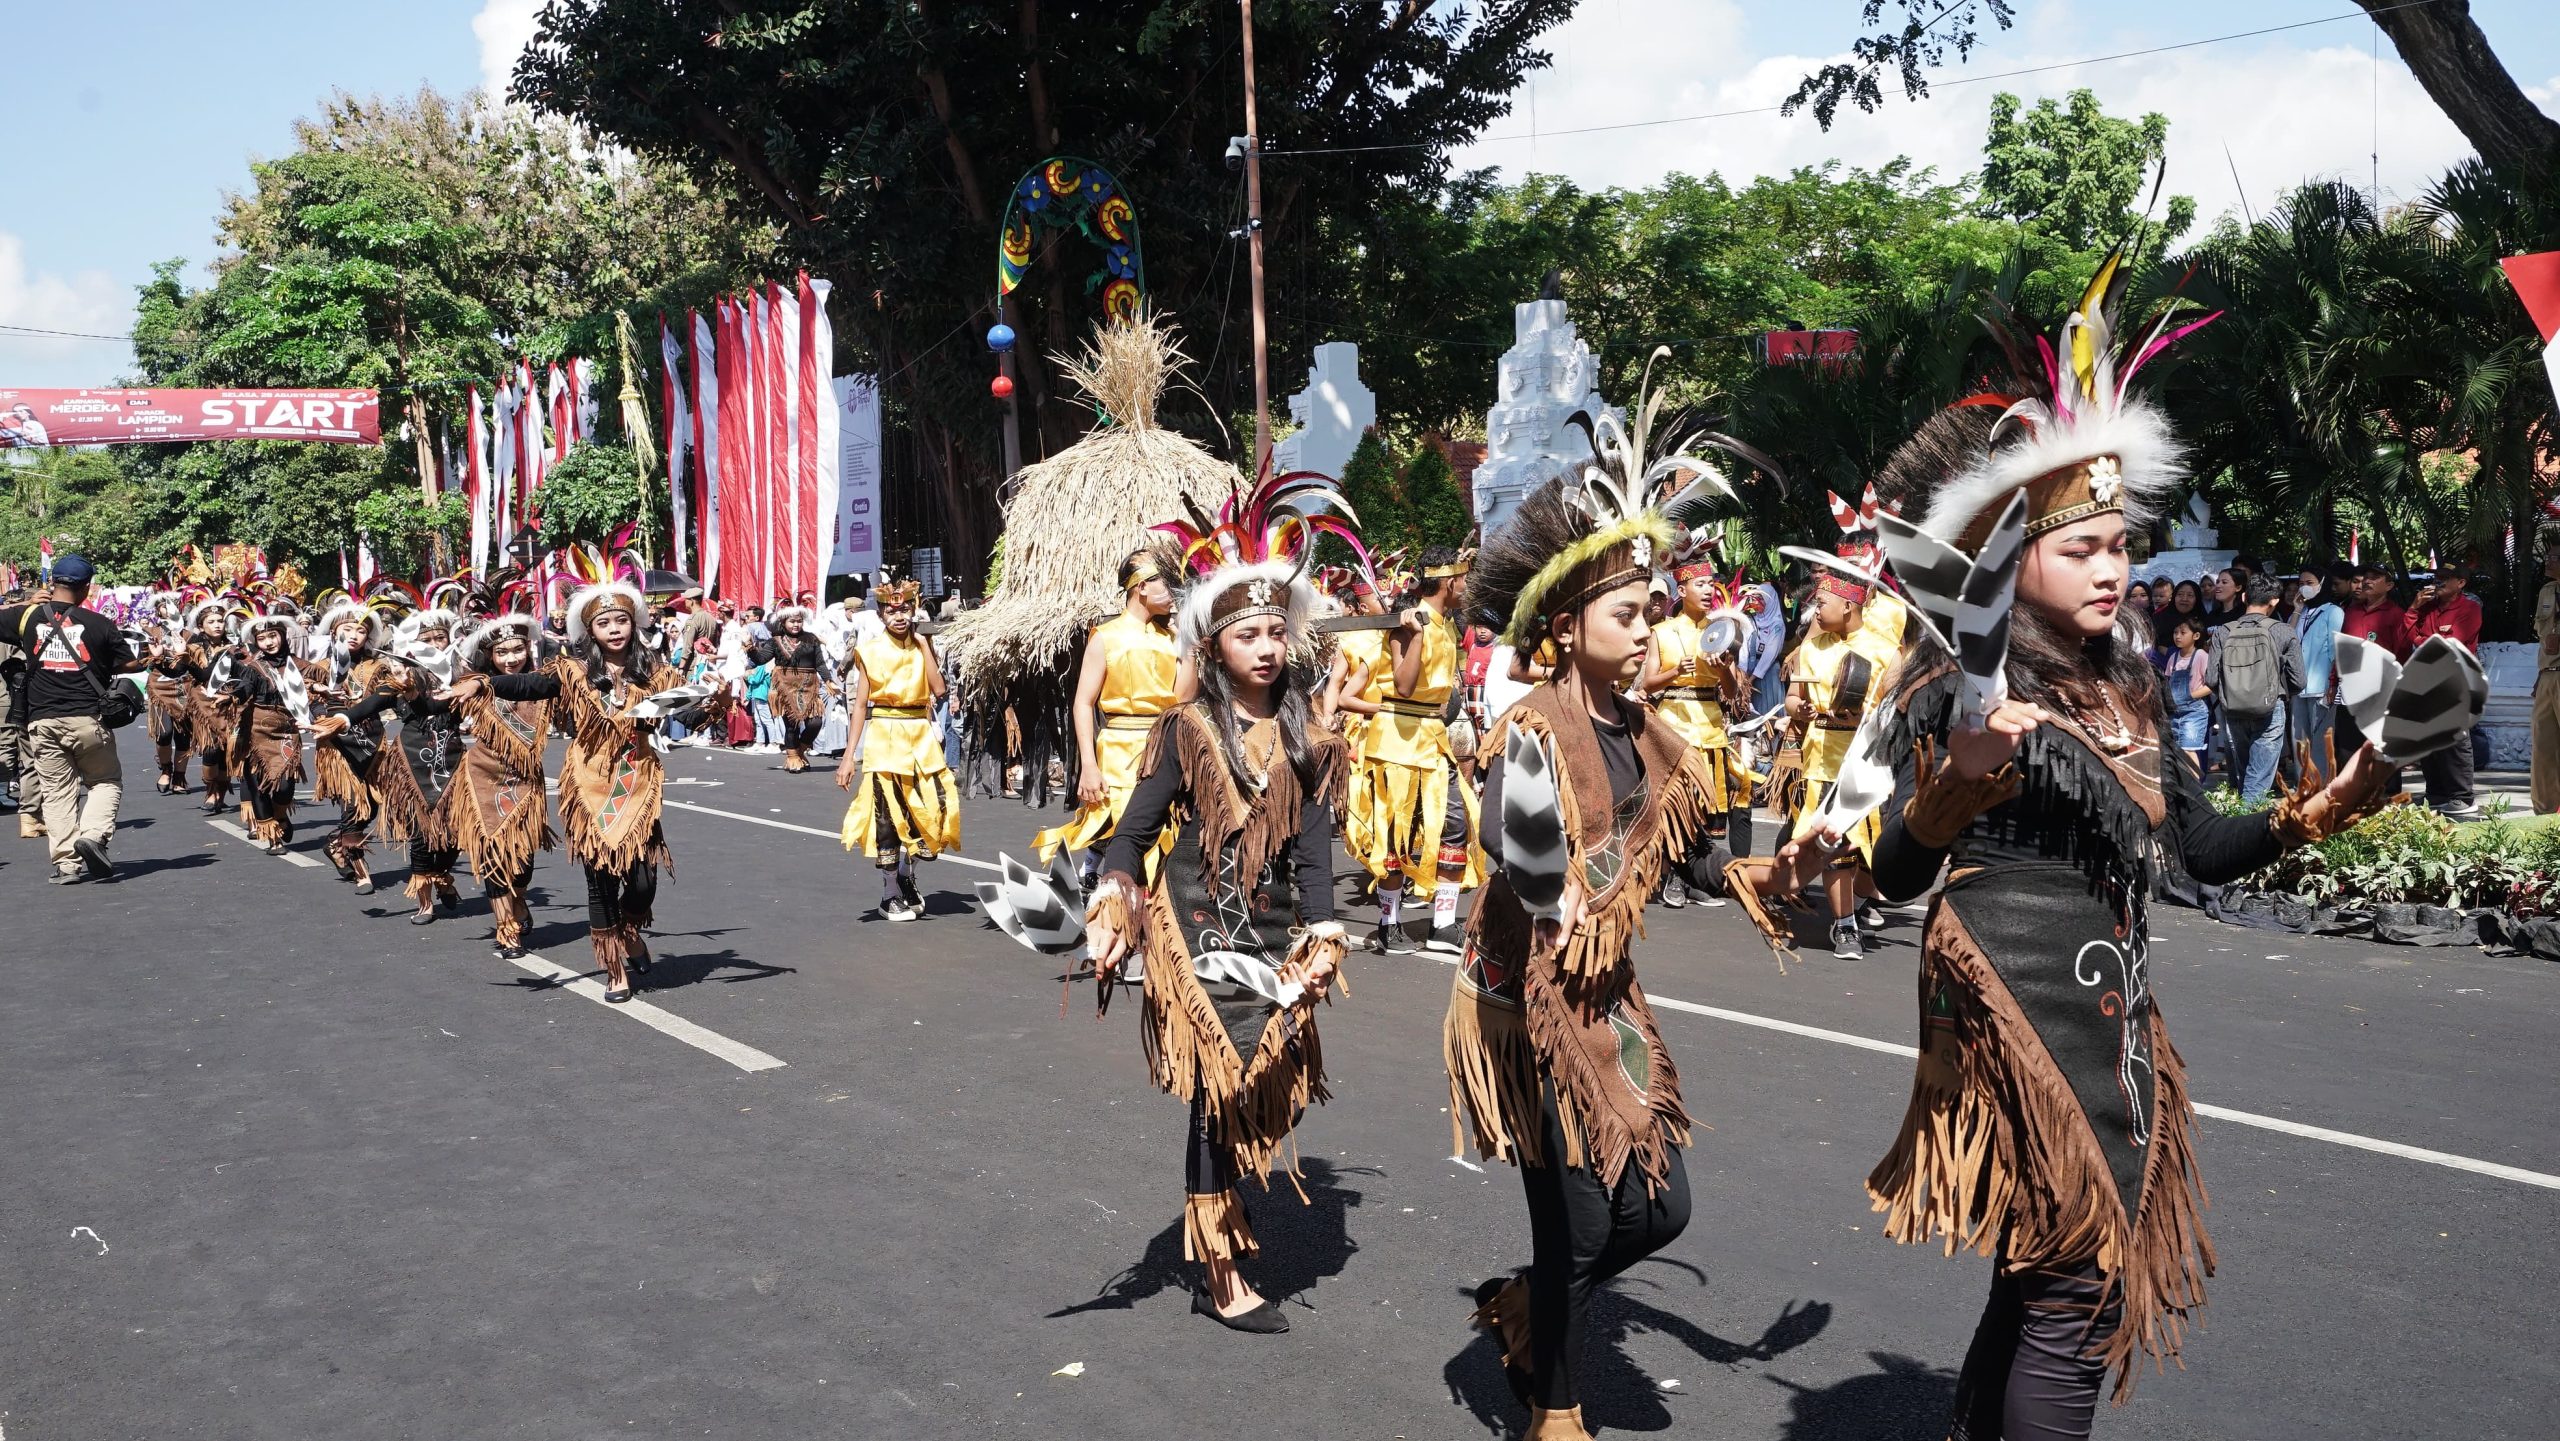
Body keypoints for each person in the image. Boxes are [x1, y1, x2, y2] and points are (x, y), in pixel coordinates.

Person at [1788, 287, 2400, 1441]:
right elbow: (1893, 873)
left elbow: (2201, 846)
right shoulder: (1951, 685)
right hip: (2008, 1003)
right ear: (2009, 563)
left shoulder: (2123, 683)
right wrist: (1956, 778)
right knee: (2077, 1284)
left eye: (2121, 545)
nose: (2112, 567)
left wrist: (2322, 808)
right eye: (2081, 548)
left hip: (2107, 1008)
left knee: (2041, 1274)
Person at [1445, 461, 1731, 1441]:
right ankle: (1553, 1411)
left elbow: (1701, 863)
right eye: (1626, 611)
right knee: (1579, 1223)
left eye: (1653, 608)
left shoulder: (1657, 736)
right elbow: (1502, 820)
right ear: (1566, 625)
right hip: (1522, 1000)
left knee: (1659, 1209)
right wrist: (1546, 875)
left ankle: (1526, 1308)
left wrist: (1803, 868)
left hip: (1602, 997)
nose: (1648, 627)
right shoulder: (1530, 721)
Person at [1082, 506, 1351, 1335]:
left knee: (1273, 1091)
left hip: (1272, 931)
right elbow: (1133, 831)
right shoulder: (1186, 727)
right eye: (1249, 635)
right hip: (1195, 922)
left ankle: (1220, 1234)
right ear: (1214, 648)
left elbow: (1311, 848)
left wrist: (1323, 931)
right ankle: (1218, 1266)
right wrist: (1112, 894)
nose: (1267, 647)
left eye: (1277, 630)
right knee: (1213, 1095)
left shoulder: (1304, 730)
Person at [442, 584, 719, 1001]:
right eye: (604, 623)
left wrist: (716, 702)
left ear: (634, 624)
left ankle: (630, 930)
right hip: (588, 784)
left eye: (621, 621)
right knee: (601, 882)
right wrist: (484, 685)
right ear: (590, 631)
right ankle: (614, 969)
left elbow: (688, 716)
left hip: (637, 782)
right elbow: (529, 686)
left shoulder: (659, 674)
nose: (614, 629)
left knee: (643, 881)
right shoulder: (571, 672)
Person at [1349, 545, 1483, 955]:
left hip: (1432, 739)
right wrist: (1414, 635)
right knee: (1394, 834)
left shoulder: (1446, 624)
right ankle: (1388, 923)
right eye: (1463, 580)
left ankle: (1442, 924)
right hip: (1398, 742)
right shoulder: (1410, 624)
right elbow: (1404, 687)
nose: (1467, 587)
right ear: (1448, 581)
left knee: (1457, 825)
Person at [1034, 545, 1185, 882]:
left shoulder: (1174, 639)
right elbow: (1083, 702)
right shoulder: (1106, 637)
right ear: (1141, 586)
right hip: (1119, 747)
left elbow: (1183, 699)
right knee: (1122, 822)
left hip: (1165, 745)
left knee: (1163, 832)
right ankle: (1105, 874)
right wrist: (1088, 765)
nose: (1175, 591)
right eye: (1167, 582)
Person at [318, 610, 468, 925]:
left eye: (438, 638)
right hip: (411, 768)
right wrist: (343, 718)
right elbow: (370, 704)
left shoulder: (463, 677)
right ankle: (425, 901)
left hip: (454, 764)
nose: (433, 645)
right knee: (420, 834)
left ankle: (441, 875)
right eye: (424, 640)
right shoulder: (398, 681)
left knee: (454, 834)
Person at [0, 555, 132, 882]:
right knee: (104, 781)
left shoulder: (26, 617)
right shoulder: (99, 623)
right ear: (86, 587)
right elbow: (128, 664)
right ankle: (93, 834)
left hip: (41, 721)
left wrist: (27, 603)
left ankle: (67, 864)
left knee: (57, 792)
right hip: (88, 719)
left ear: (52, 584)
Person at [836, 578, 958, 921]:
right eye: (892, 610)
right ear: (880, 614)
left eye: (905, 609)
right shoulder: (870, 652)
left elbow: (938, 688)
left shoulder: (921, 645)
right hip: (885, 734)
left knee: (929, 807)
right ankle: (889, 892)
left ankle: (906, 873)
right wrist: (849, 757)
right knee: (888, 814)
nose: (900, 616)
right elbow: (860, 706)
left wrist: (923, 643)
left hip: (920, 734)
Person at [1637, 559, 1753, 908]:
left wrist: (1723, 672)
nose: (1707, 590)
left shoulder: (1722, 632)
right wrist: (1675, 671)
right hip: (1673, 725)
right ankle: (1672, 876)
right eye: (1700, 584)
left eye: (1711, 584)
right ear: (1682, 590)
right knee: (1676, 805)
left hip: (1709, 725)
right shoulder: (1662, 631)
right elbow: (1647, 682)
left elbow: (1731, 693)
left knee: (1702, 808)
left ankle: (1691, 878)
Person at [439, 615, 556, 959]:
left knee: (522, 866)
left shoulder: (544, 684)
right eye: (502, 652)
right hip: (482, 778)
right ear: (490, 655)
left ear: (528, 648)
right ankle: (507, 930)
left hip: (526, 783)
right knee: (494, 859)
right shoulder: (475, 684)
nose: (510, 658)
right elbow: (439, 709)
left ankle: (518, 900)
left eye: (517, 649)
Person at [308, 601, 397, 895]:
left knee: (373, 805)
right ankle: (362, 873)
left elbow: (392, 698)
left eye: (361, 630)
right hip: (338, 748)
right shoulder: (319, 668)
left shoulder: (378, 665)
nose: (355, 635)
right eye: (348, 629)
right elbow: (306, 704)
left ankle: (336, 842)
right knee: (353, 804)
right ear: (334, 632)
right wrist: (323, 702)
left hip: (373, 741)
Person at [218, 612, 317, 858]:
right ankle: (272, 837)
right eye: (262, 639)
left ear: (283, 636)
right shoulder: (253, 668)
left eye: (273, 636)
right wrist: (233, 696)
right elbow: (245, 687)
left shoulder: (300, 666)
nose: (269, 642)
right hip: (255, 729)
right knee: (259, 785)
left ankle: (280, 816)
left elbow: (314, 693)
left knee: (285, 785)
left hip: (286, 730)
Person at [2203, 579, 2304, 805]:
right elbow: (2299, 680)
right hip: (2271, 708)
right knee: (2259, 777)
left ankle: (2239, 823)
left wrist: (2233, 694)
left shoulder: (2223, 632)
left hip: (2233, 710)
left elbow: (2210, 678)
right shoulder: (2283, 631)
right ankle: (2246, 825)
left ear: (2243, 597)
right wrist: (2281, 692)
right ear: (2274, 601)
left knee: (2243, 774)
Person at [2403, 567, 2485, 818]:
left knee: (2455, 740)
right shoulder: (2428, 608)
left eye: (2444, 579)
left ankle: (2462, 796)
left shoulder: (2469, 609)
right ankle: (2436, 794)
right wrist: (2414, 608)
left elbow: (2451, 643)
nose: (2437, 583)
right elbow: (2408, 634)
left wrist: (2423, 638)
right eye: (2436, 578)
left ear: (2461, 582)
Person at [747, 605, 830, 771]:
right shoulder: (775, 641)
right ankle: (793, 759)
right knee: (791, 725)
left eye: (799, 621)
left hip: (808, 687)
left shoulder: (811, 639)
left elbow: (819, 662)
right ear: (783, 622)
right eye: (792, 621)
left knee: (815, 722)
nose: (796, 625)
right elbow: (761, 659)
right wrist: (750, 649)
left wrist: (829, 680)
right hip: (784, 688)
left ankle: (799, 752)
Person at [2286, 564, 2345, 786]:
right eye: (2301, 584)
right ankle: (2304, 784)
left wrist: (2333, 684)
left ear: (2322, 584)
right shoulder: (2302, 612)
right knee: (2299, 738)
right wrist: (2296, 610)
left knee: (2320, 739)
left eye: (2309, 583)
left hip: (2321, 684)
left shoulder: (2333, 611)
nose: (2304, 588)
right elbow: (2287, 638)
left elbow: (2335, 649)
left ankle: (2322, 785)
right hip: (2299, 685)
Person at [2532, 522, 2560, 815]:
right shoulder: (2547, 591)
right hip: (2547, 675)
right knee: (2543, 746)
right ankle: (2544, 810)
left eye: (2554, 558)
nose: (2548, 562)